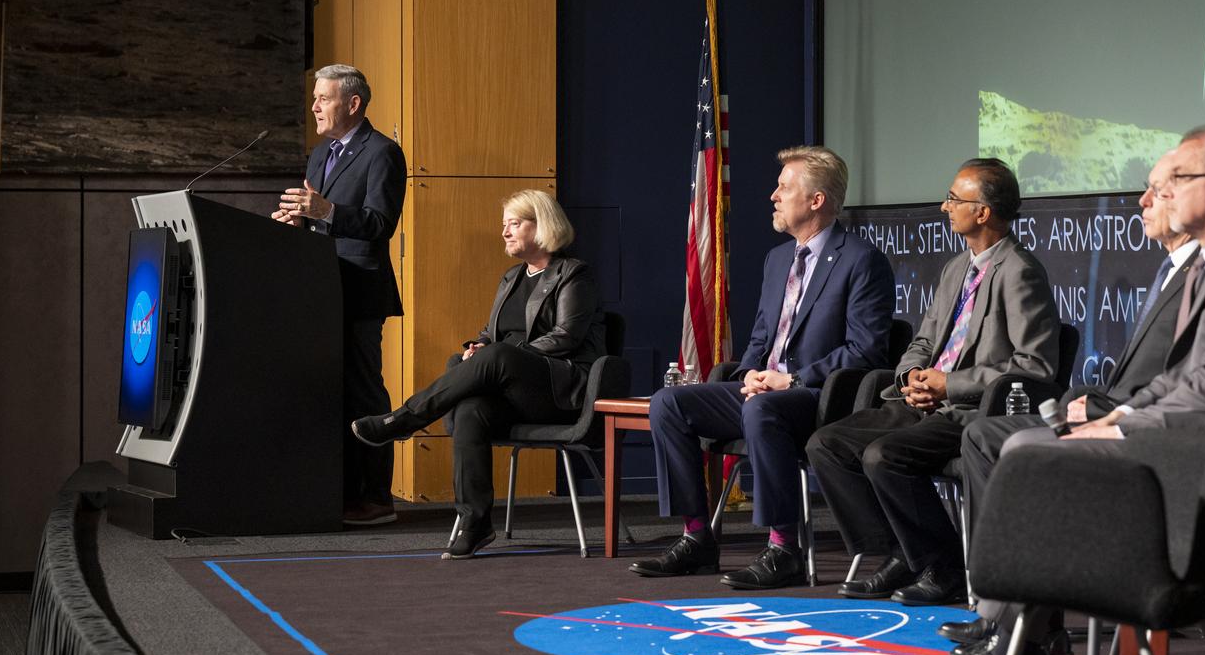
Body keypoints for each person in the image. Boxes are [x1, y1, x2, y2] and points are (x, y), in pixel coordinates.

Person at [928, 125, 1205, 655]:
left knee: (1029, 453)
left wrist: (1120, 426)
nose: (1155, 196)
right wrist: (1122, 411)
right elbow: (1179, 376)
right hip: (1178, 439)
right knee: (1026, 447)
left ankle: (1012, 643)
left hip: (1200, 465)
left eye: (1177, 180)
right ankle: (1016, 640)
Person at [630, 146, 895, 589]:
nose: (773, 195)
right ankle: (697, 537)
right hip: (765, 390)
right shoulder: (778, 261)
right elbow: (760, 339)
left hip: (819, 397)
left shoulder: (861, 260)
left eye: (784, 187)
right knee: (668, 404)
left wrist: (790, 379)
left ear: (817, 200)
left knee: (762, 411)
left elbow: (866, 350)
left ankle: (782, 548)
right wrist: (749, 373)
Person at [805, 158, 1060, 607]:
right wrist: (912, 375)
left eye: (955, 199)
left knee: (885, 456)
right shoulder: (956, 267)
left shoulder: (1019, 270)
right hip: (922, 399)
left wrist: (950, 384)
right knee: (827, 443)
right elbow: (924, 339)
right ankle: (903, 552)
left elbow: (1034, 366)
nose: (945, 207)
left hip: (972, 411)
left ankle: (943, 568)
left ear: (982, 212)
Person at [351, 189, 606, 559]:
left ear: (544, 226)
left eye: (514, 223)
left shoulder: (574, 274)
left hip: (559, 389)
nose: (504, 232)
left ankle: (404, 420)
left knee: (498, 356)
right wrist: (477, 346)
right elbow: (492, 334)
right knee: (471, 410)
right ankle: (475, 522)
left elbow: (565, 338)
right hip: (513, 389)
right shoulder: (511, 278)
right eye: (504, 224)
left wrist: (498, 354)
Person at [272, 64, 407, 527]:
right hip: (320, 291)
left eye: (323, 99)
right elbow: (320, 219)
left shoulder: (383, 153)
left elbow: (379, 225)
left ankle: (376, 498)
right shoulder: (319, 154)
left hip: (360, 292)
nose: (313, 107)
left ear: (353, 104)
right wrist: (300, 221)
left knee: (365, 393)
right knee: (329, 393)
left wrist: (326, 210)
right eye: (314, 98)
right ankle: (339, 491)